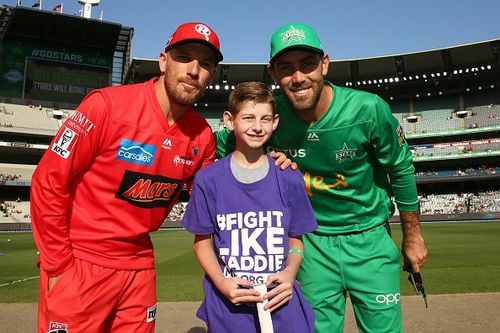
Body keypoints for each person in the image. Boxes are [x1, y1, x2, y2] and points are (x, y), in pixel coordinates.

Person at [215, 23, 428, 333]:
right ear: (272, 73)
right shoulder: (271, 120)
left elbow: (401, 168)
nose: (298, 77)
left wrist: (413, 236)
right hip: (310, 247)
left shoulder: (368, 109)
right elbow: (214, 144)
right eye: (286, 68)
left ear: (325, 64)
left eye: (308, 65)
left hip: (369, 239)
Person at [30, 22, 224, 333]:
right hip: (81, 262)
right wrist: (57, 264)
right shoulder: (105, 106)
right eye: (184, 57)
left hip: (140, 268)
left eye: (205, 64)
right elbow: (48, 181)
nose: (193, 70)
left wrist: (270, 167)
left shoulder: (202, 135)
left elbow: (218, 197)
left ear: (211, 74)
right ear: (163, 60)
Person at [182, 82, 317, 333]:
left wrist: (289, 272)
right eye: (248, 118)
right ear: (229, 120)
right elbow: (202, 242)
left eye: (265, 119)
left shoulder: (289, 177)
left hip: (282, 305)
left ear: (275, 122)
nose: (257, 127)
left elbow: (296, 241)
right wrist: (221, 282)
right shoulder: (208, 180)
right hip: (229, 307)